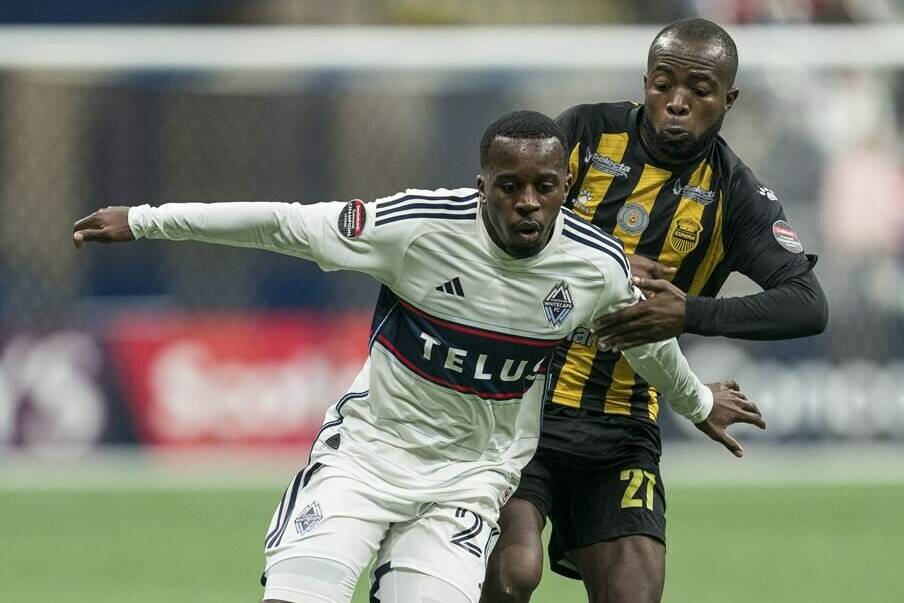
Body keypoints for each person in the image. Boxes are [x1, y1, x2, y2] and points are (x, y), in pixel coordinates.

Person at [74, 110, 760, 603]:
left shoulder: (593, 265)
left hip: (468, 482)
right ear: (482, 183)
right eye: (510, 185)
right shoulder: (414, 228)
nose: (527, 203)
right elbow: (284, 222)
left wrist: (697, 403)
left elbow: (647, 341)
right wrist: (144, 219)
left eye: (544, 187)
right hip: (365, 458)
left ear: (563, 187)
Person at [481, 19, 827, 603]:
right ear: (645, 82)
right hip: (521, 406)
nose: (676, 103)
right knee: (515, 574)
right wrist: (606, 259)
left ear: (729, 100)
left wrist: (689, 313)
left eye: (699, 90)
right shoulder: (584, 134)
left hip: (622, 424)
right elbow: (499, 217)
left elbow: (807, 304)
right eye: (663, 83)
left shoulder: (735, 194)